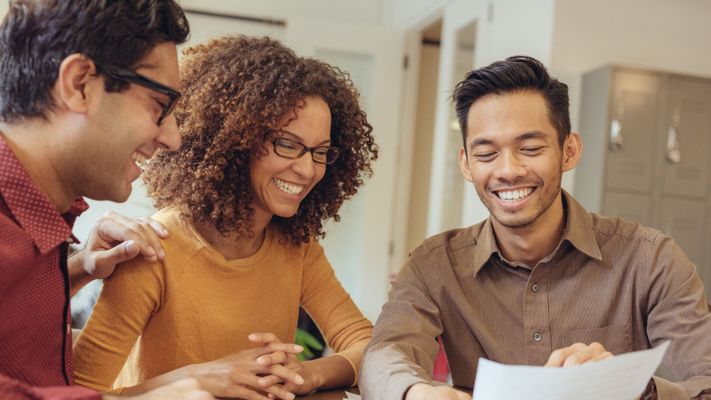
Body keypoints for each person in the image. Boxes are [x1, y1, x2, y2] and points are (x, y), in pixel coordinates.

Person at [359, 56, 711, 400]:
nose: (508, 170)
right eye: (486, 154)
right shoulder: (433, 265)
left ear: (569, 151)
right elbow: (385, 354)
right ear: (466, 164)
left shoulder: (650, 259)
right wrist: (414, 391)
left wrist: (638, 391)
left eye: (529, 148)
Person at [72, 35, 376, 400]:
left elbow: (366, 344)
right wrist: (193, 381)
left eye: (321, 151)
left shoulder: (298, 249)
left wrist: (307, 375)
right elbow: (78, 393)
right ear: (236, 139)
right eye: (288, 144)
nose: (308, 168)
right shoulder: (154, 247)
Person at [0, 1, 214, 399]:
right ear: (80, 84)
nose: (172, 139)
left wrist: (78, 269)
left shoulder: (41, 219)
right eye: (160, 106)